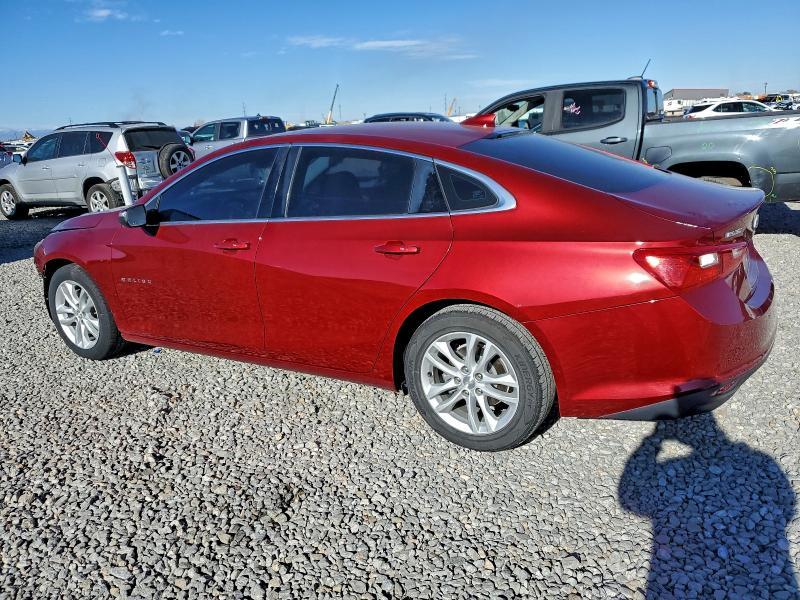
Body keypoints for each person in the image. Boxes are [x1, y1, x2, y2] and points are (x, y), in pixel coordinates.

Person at [619, 413, 798, 599]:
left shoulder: (756, 460)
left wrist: (650, 443)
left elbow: (629, 502)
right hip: (776, 568)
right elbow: (788, 506)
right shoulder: (760, 459)